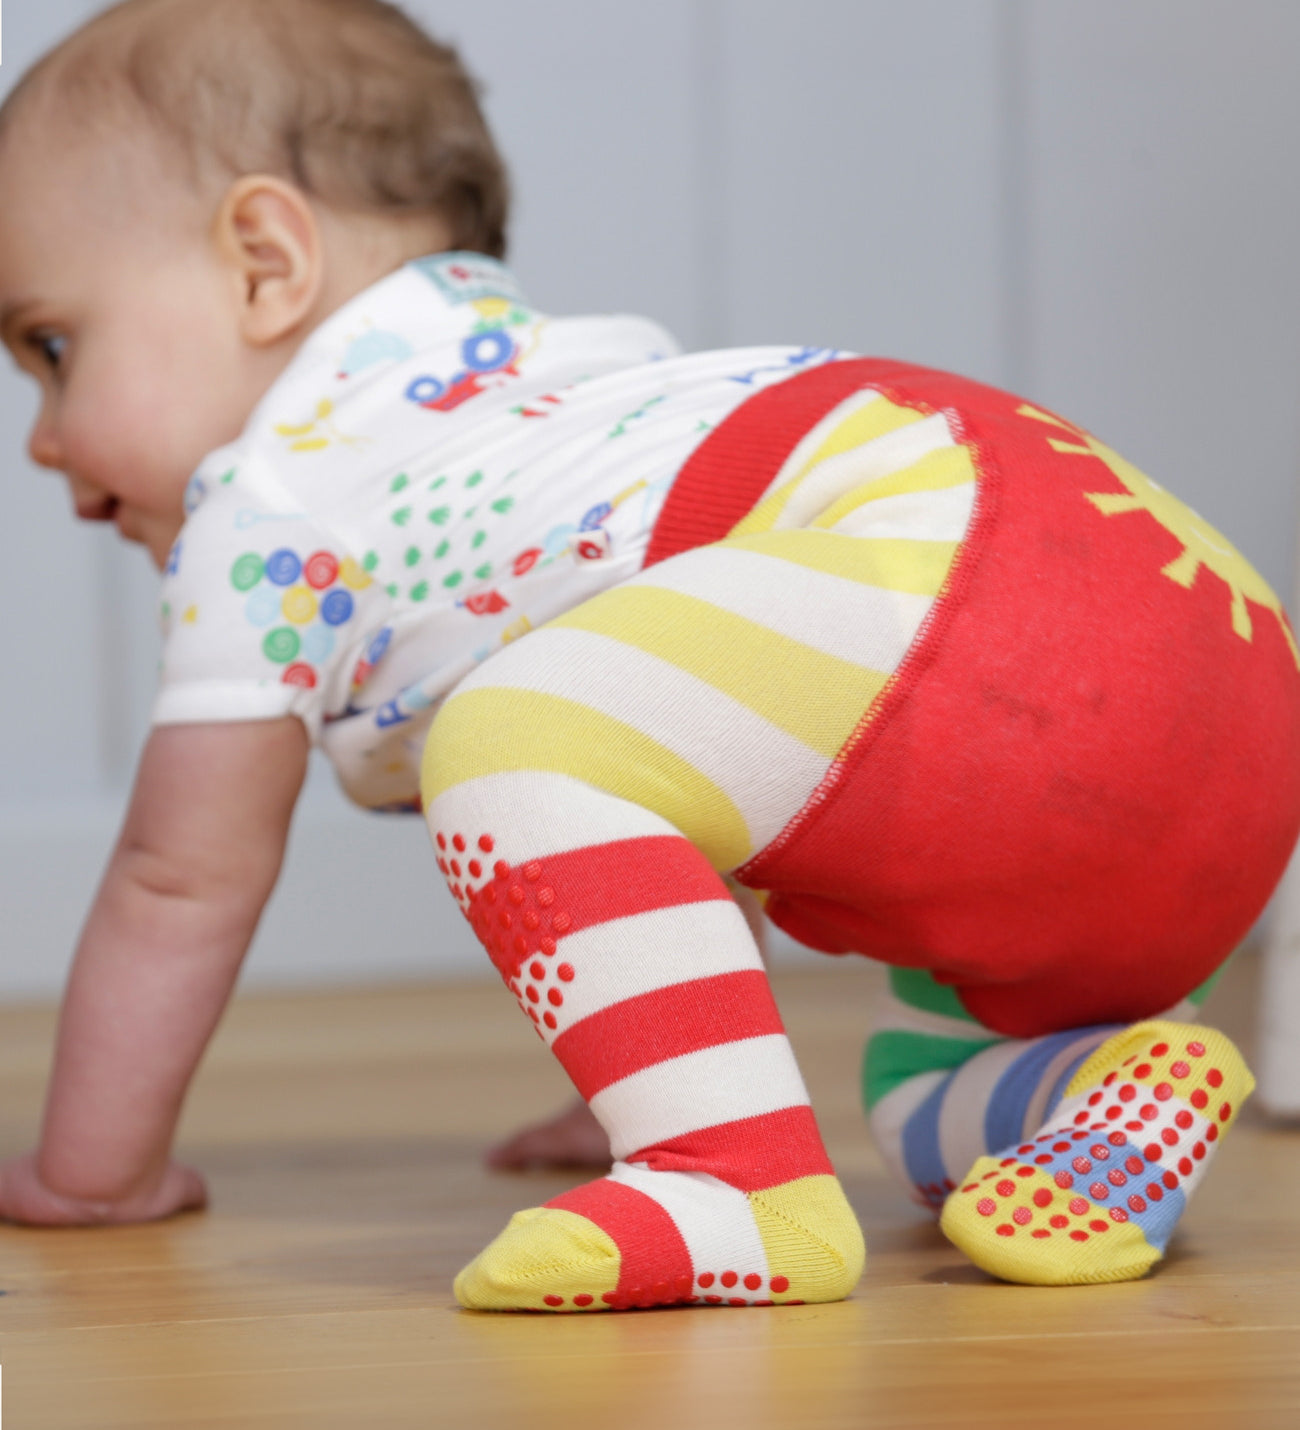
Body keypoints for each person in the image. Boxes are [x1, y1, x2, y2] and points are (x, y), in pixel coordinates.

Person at [0, 0, 1293, 1313]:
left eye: (52, 347)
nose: (44, 436)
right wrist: (624, 1064)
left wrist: (93, 1174)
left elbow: (179, 879)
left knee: (504, 739)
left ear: (265, 262)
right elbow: (684, 766)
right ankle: (1110, 1087)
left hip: (964, 574)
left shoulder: (266, 506)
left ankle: (729, 1173)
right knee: (920, 1093)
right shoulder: (597, 383)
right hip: (1210, 675)